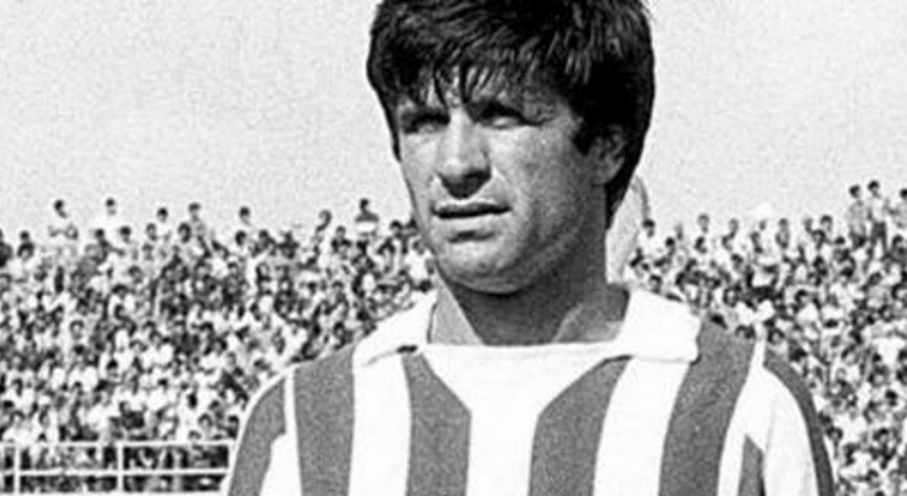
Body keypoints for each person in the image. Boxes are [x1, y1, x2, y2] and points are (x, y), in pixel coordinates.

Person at [225, 1, 834, 495]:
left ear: (607, 146)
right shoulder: (302, 425)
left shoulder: (742, 407)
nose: (456, 163)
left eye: (501, 116)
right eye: (425, 122)